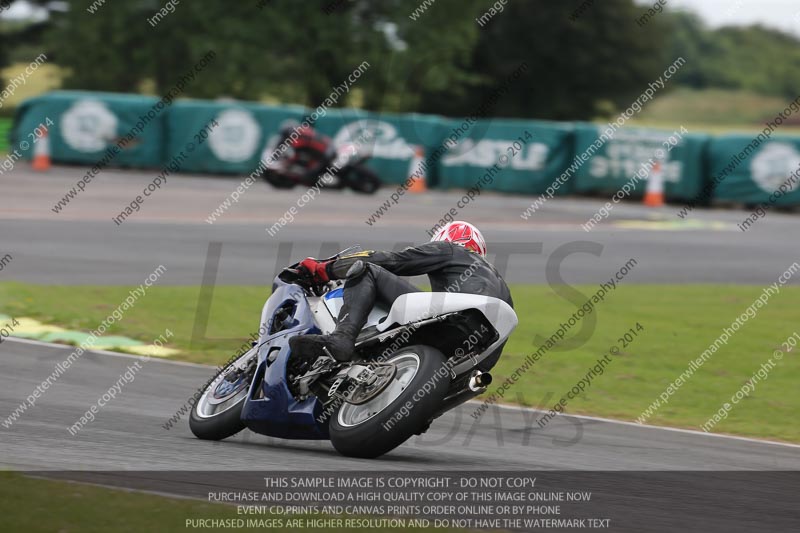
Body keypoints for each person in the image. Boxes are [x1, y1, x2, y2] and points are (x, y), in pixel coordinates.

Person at [288, 221, 513, 371]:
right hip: (474, 350)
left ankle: (342, 337)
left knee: (366, 270)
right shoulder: (502, 288)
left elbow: (392, 261)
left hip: (453, 321)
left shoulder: (452, 250)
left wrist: (324, 269)